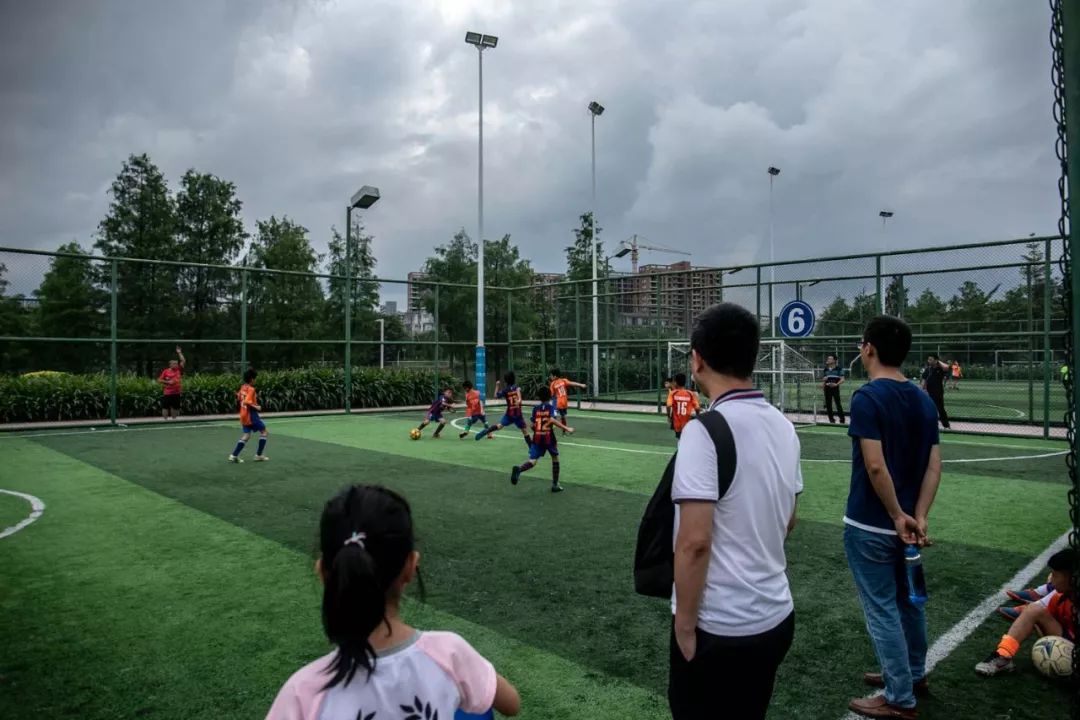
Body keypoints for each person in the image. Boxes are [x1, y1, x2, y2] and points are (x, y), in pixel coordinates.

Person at [265, 485, 521, 719]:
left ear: (322, 572)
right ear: (411, 566)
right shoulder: (449, 653)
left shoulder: (303, 691)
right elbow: (511, 704)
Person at [669, 303, 801, 720]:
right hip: (776, 615)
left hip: (721, 627)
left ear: (697, 358)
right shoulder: (783, 425)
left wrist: (685, 627)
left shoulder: (703, 431)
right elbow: (789, 518)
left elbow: (693, 543)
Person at [845, 317, 942, 720]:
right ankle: (911, 673)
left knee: (882, 607)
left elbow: (875, 466)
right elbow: (934, 467)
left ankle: (899, 696)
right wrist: (917, 515)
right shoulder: (923, 399)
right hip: (908, 527)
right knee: (909, 603)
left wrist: (896, 514)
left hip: (871, 524)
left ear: (868, 348)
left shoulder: (867, 397)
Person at [976, 548, 1076, 676]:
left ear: (1072, 578)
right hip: (1069, 641)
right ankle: (1003, 656)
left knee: (1034, 610)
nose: (1051, 581)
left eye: (1055, 575)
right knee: (1033, 610)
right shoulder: (1060, 597)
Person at [510, 386, 574, 493]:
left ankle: (519, 469)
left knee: (533, 461)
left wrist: (538, 429)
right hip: (548, 437)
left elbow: (532, 425)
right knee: (555, 458)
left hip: (538, 437)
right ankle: (555, 485)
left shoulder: (535, 409)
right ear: (550, 396)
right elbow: (552, 419)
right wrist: (566, 428)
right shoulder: (551, 407)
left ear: (539, 397)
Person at [475, 373, 531, 448]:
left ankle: (488, 431)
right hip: (517, 414)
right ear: (514, 379)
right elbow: (520, 399)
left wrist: (497, 385)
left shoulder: (505, 390)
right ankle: (531, 448)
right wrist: (519, 399)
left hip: (509, 414)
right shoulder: (517, 388)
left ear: (506, 381)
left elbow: (495, 396)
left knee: (499, 426)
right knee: (525, 431)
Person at [228, 368, 269, 463]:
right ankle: (258, 455)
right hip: (251, 415)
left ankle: (234, 455)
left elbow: (239, 397)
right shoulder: (251, 389)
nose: (255, 380)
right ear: (252, 379)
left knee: (246, 435)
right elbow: (247, 401)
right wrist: (257, 407)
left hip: (243, 414)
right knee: (264, 432)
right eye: (255, 378)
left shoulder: (243, 387)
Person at [548, 368, 587, 433]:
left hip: (558, 403)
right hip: (564, 403)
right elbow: (572, 383)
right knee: (562, 416)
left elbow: (551, 395)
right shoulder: (564, 380)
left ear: (555, 376)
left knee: (553, 415)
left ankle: (552, 427)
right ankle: (564, 431)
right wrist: (581, 385)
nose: (550, 377)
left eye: (551, 375)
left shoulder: (553, 384)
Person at [921, 354, 951, 429]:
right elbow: (924, 380)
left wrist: (938, 361)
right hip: (928, 392)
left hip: (938, 392)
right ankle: (929, 425)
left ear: (936, 360)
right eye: (928, 359)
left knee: (940, 409)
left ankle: (946, 426)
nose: (929, 361)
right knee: (927, 409)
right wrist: (923, 390)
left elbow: (947, 367)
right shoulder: (928, 369)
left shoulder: (940, 369)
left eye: (931, 359)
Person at [158, 345, 186, 421]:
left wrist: (179, 352)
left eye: (176, 364)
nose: (176, 365)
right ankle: (165, 420)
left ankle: (174, 420)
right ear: (170, 365)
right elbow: (159, 380)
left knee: (175, 407)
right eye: (174, 364)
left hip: (177, 392)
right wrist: (168, 382)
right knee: (165, 407)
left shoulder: (178, 370)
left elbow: (183, 361)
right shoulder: (166, 371)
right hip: (167, 392)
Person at [668, 373, 699, 440]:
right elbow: (697, 408)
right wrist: (698, 415)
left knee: (680, 439)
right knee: (686, 439)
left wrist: (668, 416)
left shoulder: (673, 393)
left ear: (675, 383)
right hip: (687, 422)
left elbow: (668, 405)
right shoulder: (690, 393)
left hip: (677, 423)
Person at [822, 354, 846, 424]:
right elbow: (824, 380)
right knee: (828, 405)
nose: (828, 360)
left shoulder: (839, 369)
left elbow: (843, 379)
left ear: (834, 360)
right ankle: (831, 420)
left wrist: (836, 384)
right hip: (827, 389)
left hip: (835, 388)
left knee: (838, 404)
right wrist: (823, 385)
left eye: (830, 359)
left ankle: (842, 420)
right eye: (828, 358)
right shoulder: (825, 369)